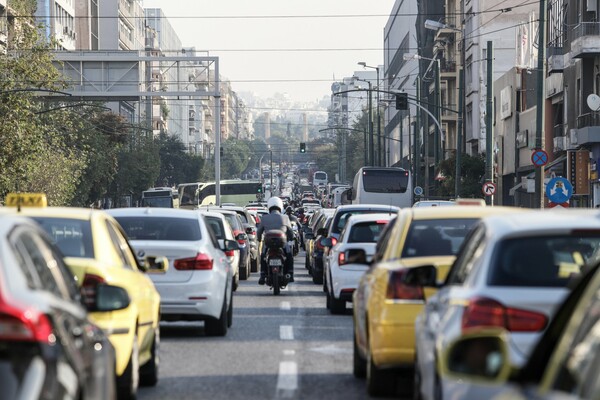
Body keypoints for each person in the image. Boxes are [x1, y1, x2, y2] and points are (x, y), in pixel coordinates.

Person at [257, 197, 294, 285]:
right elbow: (290, 231)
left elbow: (259, 231)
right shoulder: (285, 217)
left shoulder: (264, 218)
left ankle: (262, 274)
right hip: (283, 243)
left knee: (263, 255)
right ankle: (290, 273)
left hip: (268, 244)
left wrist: (259, 239)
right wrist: (291, 238)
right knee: (289, 255)